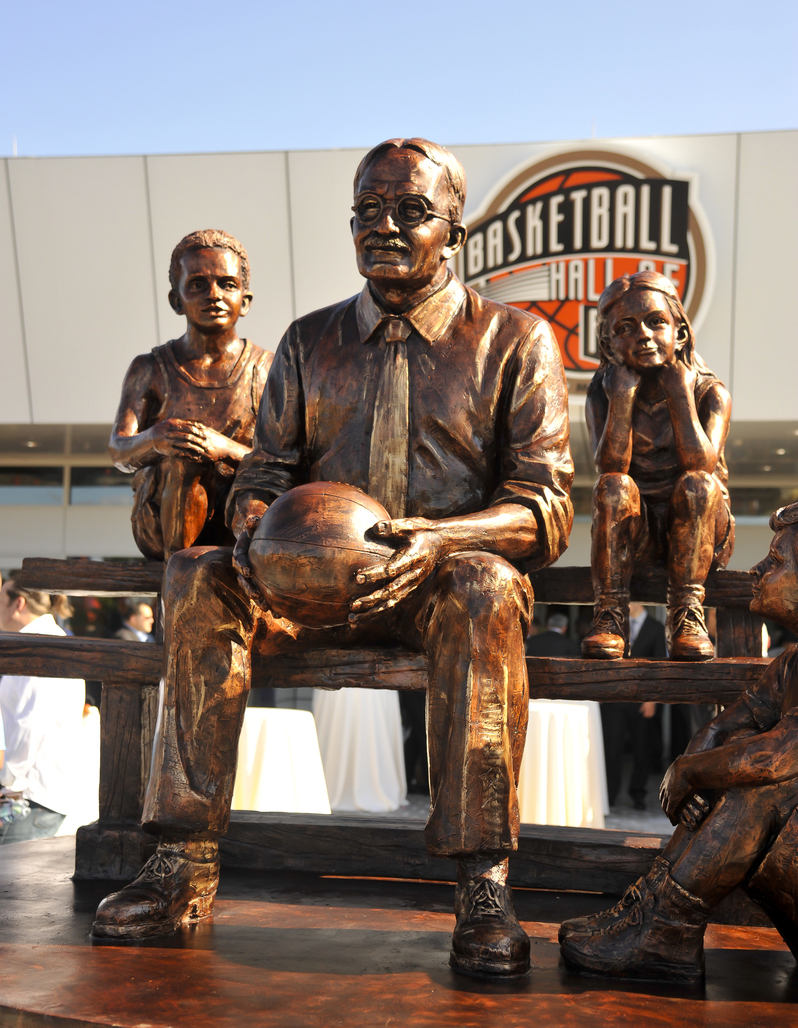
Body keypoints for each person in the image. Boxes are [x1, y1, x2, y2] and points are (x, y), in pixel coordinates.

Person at [93, 137, 574, 979]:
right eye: (366, 212)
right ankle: (180, 861)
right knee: (196, 576)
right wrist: (251, 528)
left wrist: (440, 538)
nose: (382, 227)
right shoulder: (307, 342)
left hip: (439, 582)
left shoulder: (516, 342)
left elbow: (547, 504)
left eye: (410, 211)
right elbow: (267, 470)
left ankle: (483, 883)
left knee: (488, 590)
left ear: (456, 231)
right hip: (310, 583)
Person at [560, 501, 798, 982]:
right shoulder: (792, 663)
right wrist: (698, 761)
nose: (757, 569)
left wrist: (689, 773)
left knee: (760, 780)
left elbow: (779, 755)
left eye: (774, 561)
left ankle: (666, 926)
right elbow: (729, 725)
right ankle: (655, 911)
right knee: (733, 764)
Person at [581, 272, 733, 661]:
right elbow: (610, 466)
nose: (643, 335)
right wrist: (621, 401)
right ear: (609, 343)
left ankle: (686, 614)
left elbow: (702, 463)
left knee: (699, 485)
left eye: (656, 322)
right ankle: (611, 614)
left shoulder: (710, 393)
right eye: (626, 329)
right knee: (613, 487)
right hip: (639, 533)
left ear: (680, 332)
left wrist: (680, 393)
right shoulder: (603, 393)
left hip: (699, 531)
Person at [110, 229, 273, 561]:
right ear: (176, 300)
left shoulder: (269, 369)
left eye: (227, 284)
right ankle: (180, 578)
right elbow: (119, 450)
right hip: (165, 520)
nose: (213, 294)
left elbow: (287, 460)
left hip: (243, 515)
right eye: (198, 284)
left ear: (245, 300)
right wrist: (155, 439)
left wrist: (221, 448)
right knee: (185, 456)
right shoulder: (150, 368)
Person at [0, 575, 86, 843]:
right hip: (35, 794)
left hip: (33, 796)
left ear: (19, 604)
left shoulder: (39, 645)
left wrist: (9, 782)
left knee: (11, 882)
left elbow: (32, 723)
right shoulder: (44, 641)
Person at [600, 603, 667, 810]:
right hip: (615, 698)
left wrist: (652, 699)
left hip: (642, 699)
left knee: (642, 749)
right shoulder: (615, 626)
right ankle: (609, 795)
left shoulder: (656, 628)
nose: (627, 604)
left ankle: (638, 793)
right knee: (612, 749)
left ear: (640, 601)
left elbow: (659, 666)